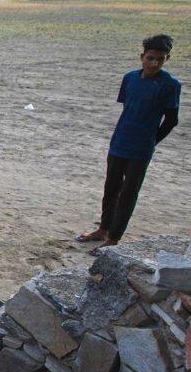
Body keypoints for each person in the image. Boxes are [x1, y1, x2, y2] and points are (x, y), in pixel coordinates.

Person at [76, 35, 181, 253]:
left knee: (128, 193)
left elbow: (171, 120)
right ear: (142, 56)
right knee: (111, 187)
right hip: (119, 141)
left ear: (167, 59)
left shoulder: (169, 85)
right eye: (150, 58)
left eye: (160, 59)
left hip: (141, 147)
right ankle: (103, 229)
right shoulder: (130, 78)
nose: (154, 63)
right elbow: (128, 107)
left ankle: (113, 239)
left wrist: (152, 140)